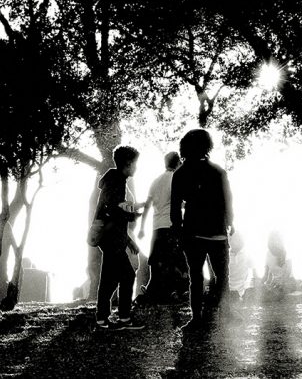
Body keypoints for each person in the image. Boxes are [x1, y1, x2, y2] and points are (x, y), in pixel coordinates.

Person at [171, 129, 235, 331]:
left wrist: (178, 232)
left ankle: (196, 318)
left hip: (192, 233)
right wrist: (231, 222)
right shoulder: (218, 172)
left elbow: (175, 208)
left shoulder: (180, 173)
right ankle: (226, 313)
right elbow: (228, 200)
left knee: (195, 277)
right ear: (208, 146)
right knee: (222, 275)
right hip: (217, 231)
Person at [95, 146, 145, 330]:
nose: (136, 168)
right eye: (135, 164)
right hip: (112, 238)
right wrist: (131, 216)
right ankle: (122, 318)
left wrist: (128, 241)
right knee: (125, 276)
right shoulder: (117, 181)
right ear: (128, 164)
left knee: (112, 278)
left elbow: (113, 209)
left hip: (112, 238)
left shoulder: (114, 179)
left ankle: (105, 318)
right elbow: (112, 210)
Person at [139, 151, 187, 303]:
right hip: (171, 225)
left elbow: (147, 206)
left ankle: (153, 291)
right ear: (178, 163)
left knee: (157, 260)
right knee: (176, 259)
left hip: (157, 226)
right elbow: (181, 202)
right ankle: (177, 291)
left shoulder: (156, 181)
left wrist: (141, 228)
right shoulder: (177, 179)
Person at [263, 231, 295, 300]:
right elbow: (267, 275)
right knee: (263, 294)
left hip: (288, 282)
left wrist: (280, 283)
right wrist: (264, 284)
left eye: (277, 239)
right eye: (272, 239)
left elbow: (287, 273)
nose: (275, 242)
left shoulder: (286, 252)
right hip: (276, 283)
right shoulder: (268, 253)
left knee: (274, 296)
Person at [228, 231, 255, 302]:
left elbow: (254, 271)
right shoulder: (226, 254)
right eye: (233, 240)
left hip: (243, 289)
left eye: (238, 240)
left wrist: (251, 286)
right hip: (228, 288)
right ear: (230, 241)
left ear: (242, 242)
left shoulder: (247, 254)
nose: (234, 242)